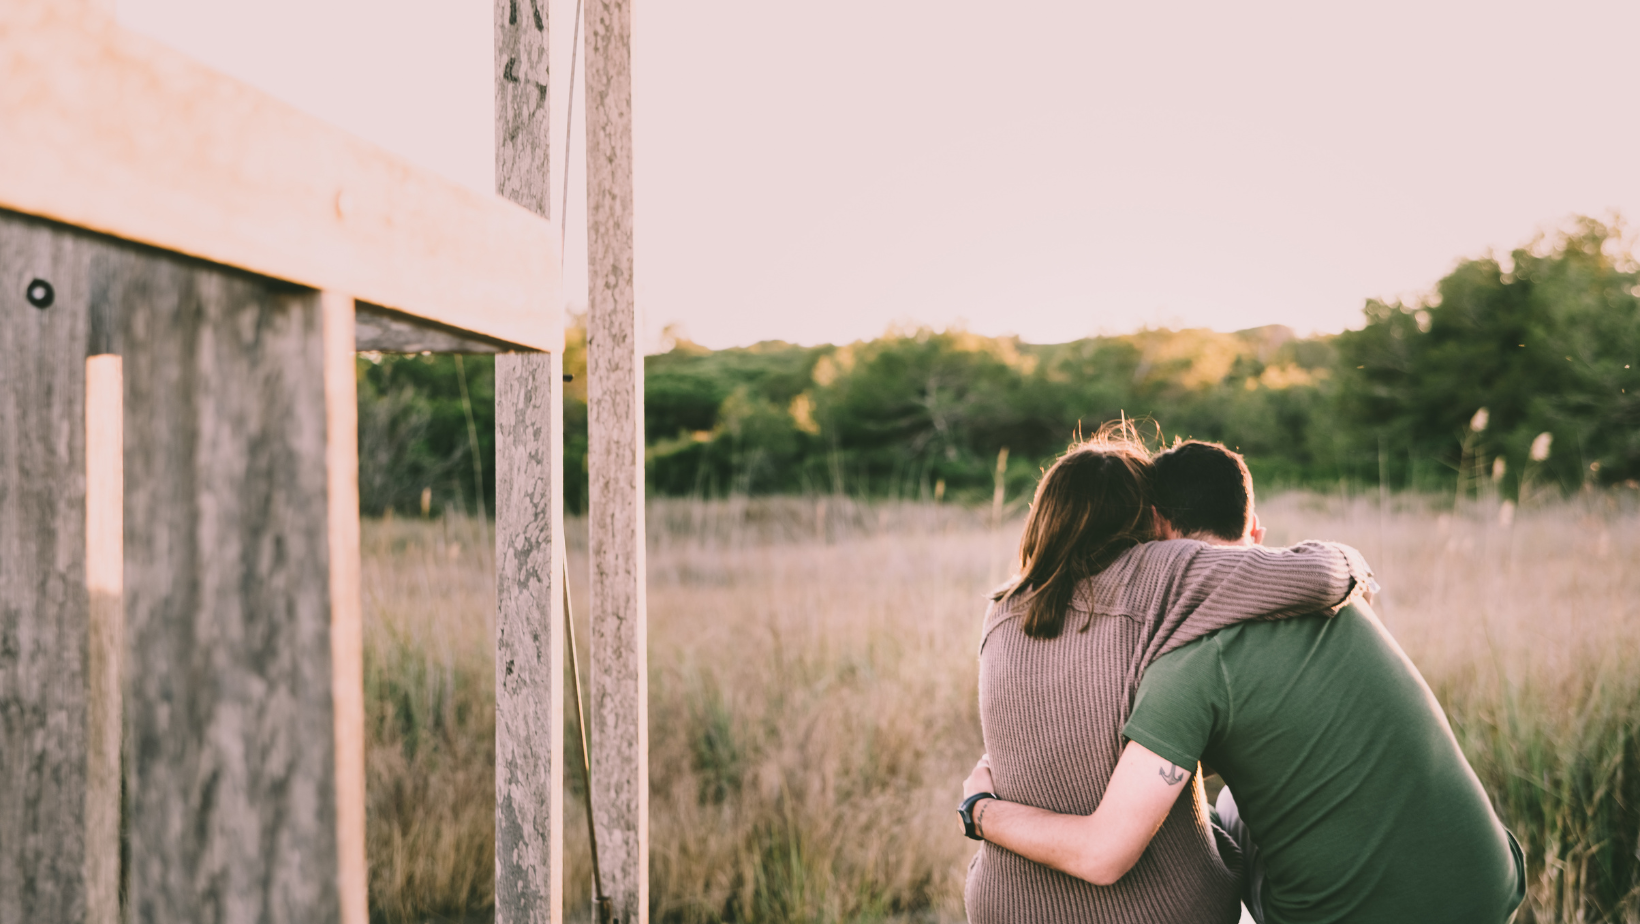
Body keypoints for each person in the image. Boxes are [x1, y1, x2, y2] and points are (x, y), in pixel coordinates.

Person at [962, 440, 1525, 924]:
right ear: (1255, 532)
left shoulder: (1189, 664)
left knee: (1220, 812)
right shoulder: (1340, 608)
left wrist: (980, 808)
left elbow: (1105, 852)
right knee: (1235, 801)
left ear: (1158, 531)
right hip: (1490, 881)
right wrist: (1354, 565)